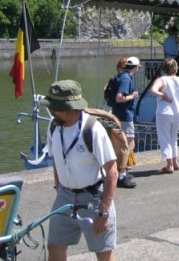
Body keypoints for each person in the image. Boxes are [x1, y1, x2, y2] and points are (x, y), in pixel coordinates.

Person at [41, 80, 118, 261]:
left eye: (55, 107)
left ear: (70, 108)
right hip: (65, 197)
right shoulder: (53, 126)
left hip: (93, 199)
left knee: (104, 253)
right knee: (54, 247)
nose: (51, 111)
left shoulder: (92, 129)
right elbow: (56, 157)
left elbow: (112, 172)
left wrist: (103, 212)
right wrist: (59, 185)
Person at [150, 58, 179, 174]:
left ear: (164, 68)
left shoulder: (162, 80)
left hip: (164, 112)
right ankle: (175, 162)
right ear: (176, 68)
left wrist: (163, 95)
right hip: (177, 112)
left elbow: (153, 91)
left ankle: (169, 165)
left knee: (164, 138)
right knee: (173, 138)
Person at [112, 57, 141, 189]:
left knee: (123, 144)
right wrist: (133, 96)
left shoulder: (120, 76)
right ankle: (121, 175)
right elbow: (119, 98)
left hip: (119, 114)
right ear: (135, 67)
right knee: (128, 144)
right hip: (125, 116)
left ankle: (121, 173)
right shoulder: (126, 79)